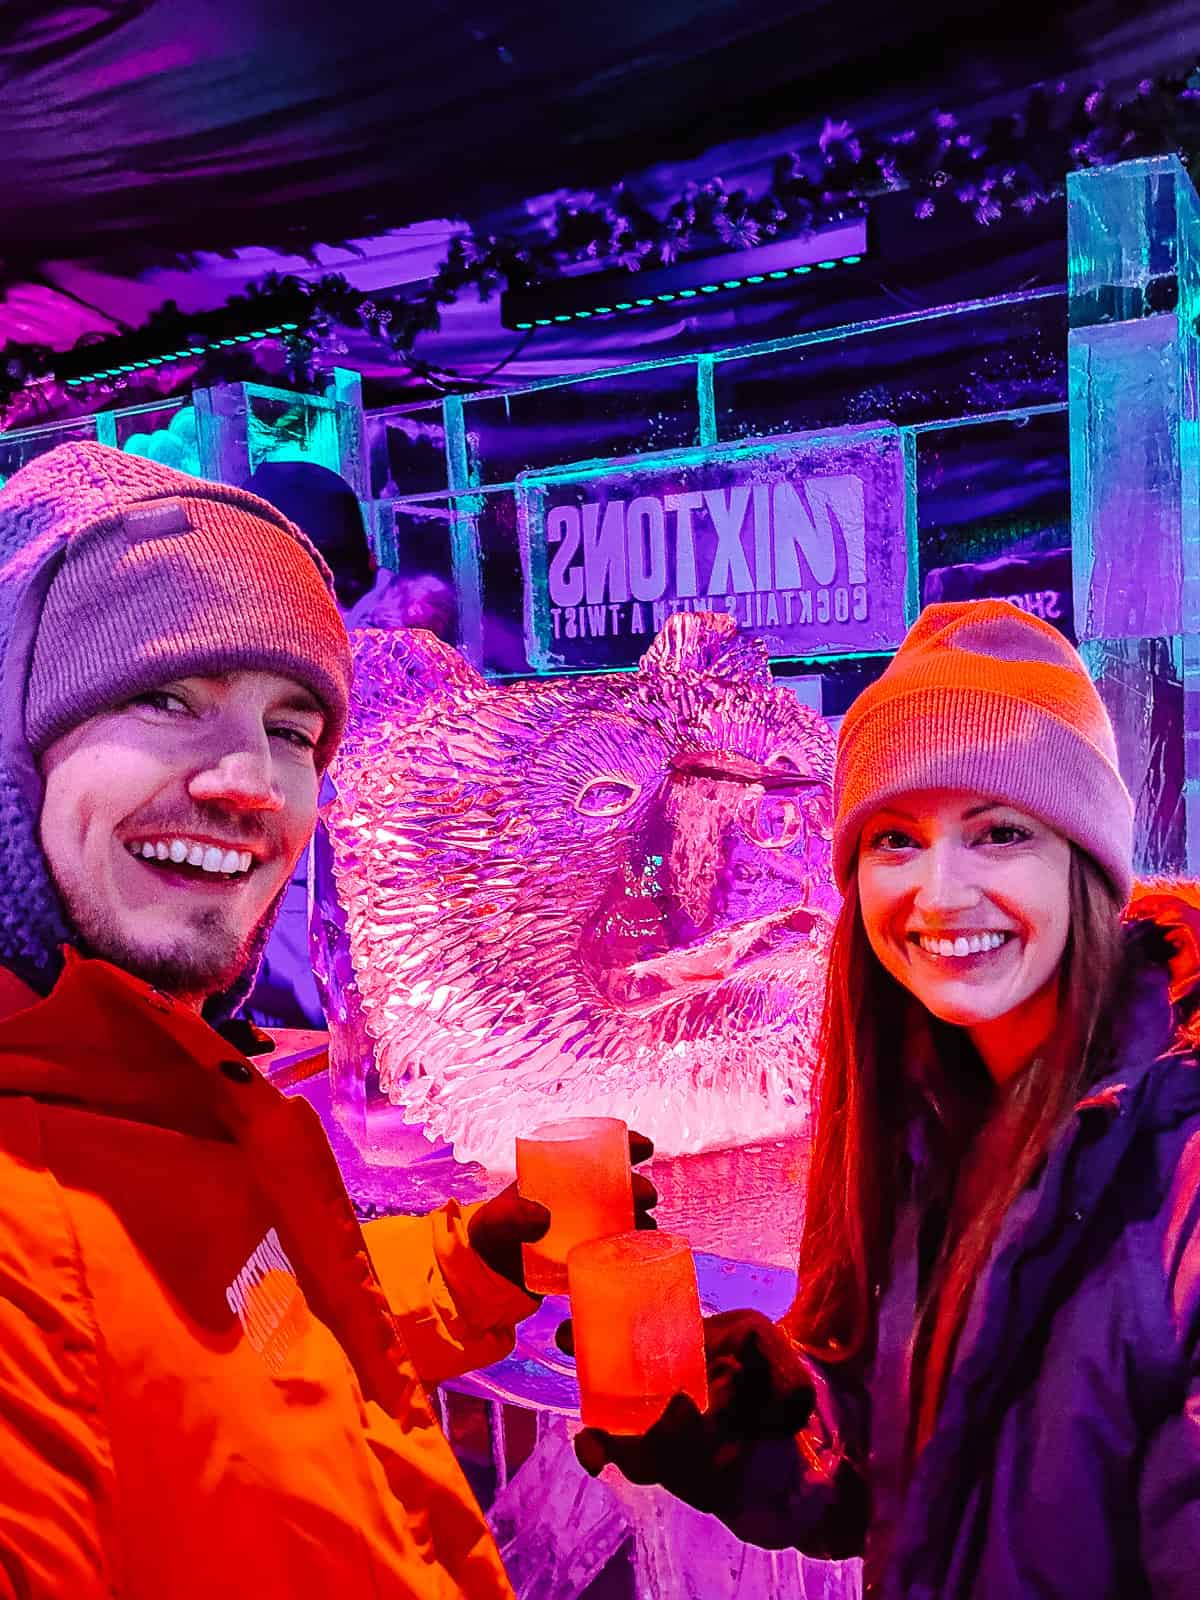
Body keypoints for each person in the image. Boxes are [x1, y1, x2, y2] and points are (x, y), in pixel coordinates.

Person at [0, 441, 652, 1599]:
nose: (250, 779)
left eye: (294, 729)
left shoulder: (150, 1086)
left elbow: (230, 1336)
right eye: (165, 697)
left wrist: (462, 1262)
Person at [572, 600, 1200, 1598]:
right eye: (896, 840)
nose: (941, 894)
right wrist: (769, 1431)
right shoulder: (932, 1115)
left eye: (1000, 833)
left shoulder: (1180, 1168)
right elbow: (927, 1482)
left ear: (1085, 862)